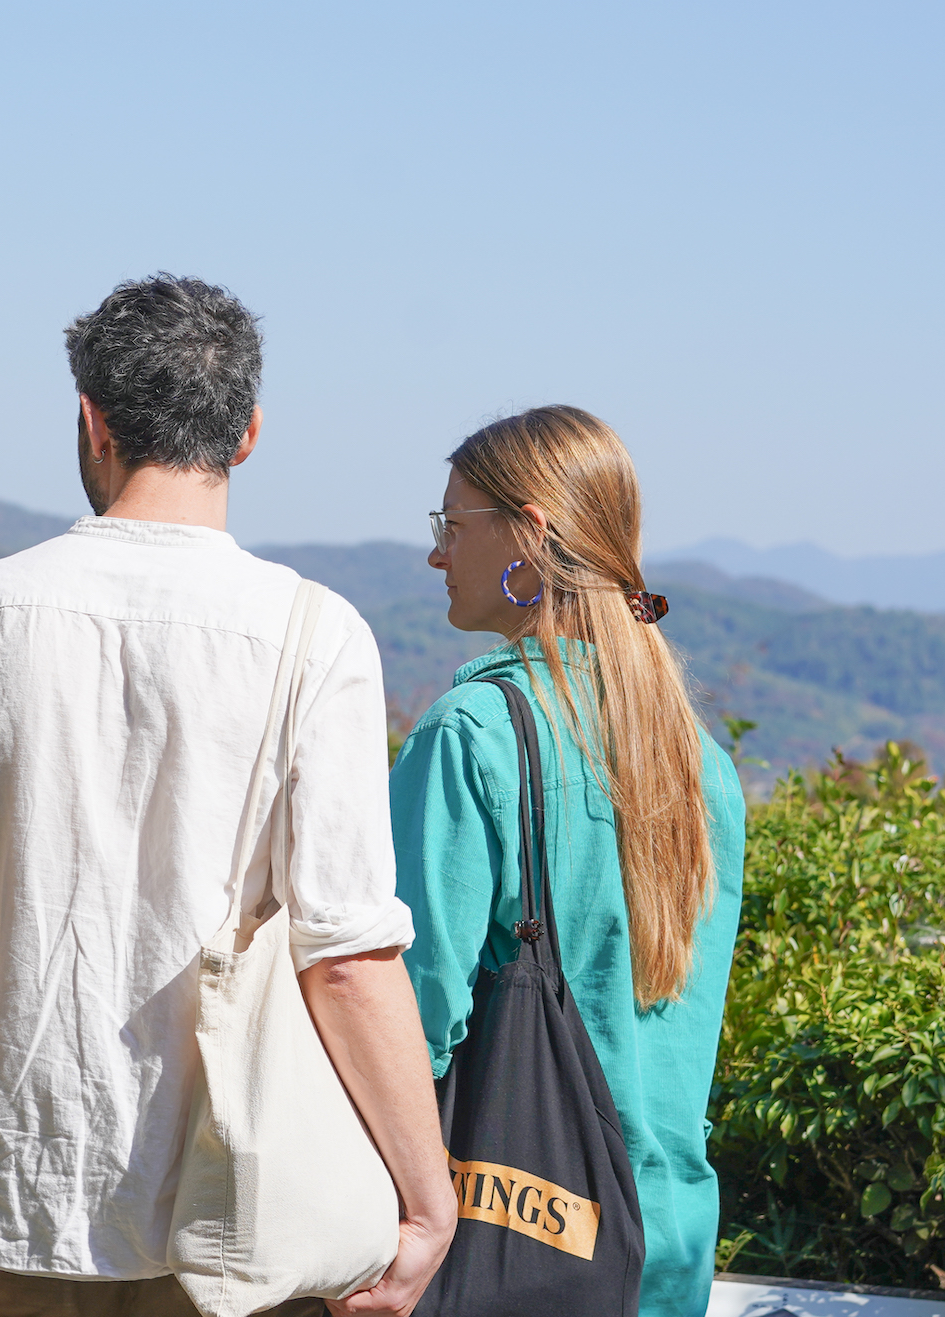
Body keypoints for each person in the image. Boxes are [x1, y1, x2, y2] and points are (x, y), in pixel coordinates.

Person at [0, 275, 455, 1317]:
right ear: (248, 434)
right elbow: (348, 958)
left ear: (90, 420)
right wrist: (426, 1204)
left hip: (21, 1209)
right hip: (242, 1221)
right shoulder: (310, 634)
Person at [392, 406, 747, 1317]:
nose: (437, 554)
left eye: (450, 525)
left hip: (515, 1228)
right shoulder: (700, 761)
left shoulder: (472, 736)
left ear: (530, 534)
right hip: (664, 1236)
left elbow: (411, 1018)